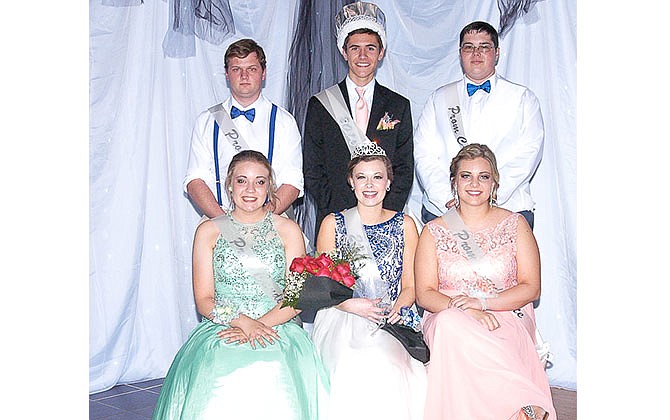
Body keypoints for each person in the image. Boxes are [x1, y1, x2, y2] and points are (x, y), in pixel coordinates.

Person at [154, 150, 328, 420]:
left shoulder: (288, 230)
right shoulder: (209, 230)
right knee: (218, 370)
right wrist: (244, 323)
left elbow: (295, 297)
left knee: (274, 367)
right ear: (229, 185)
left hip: (278, 326)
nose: (250, 189)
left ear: (270, 188)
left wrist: (260, 325)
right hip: (224, 327)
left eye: (259, 182)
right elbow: (204, 300)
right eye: (242, 180)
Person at [414, 143, 555, 419]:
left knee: (475, 331)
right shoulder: (433, 231)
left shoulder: (515, 224)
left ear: (495, 183)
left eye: (483, 176)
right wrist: (468, 310)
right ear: (454, 182)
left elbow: (531, 286)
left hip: (506, 311)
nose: (474, 183)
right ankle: (522, 405)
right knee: (448, 324)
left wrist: (484, 303)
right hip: (449, 312)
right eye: (466, 176)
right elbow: (425, 294)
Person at [310, 142, 426, 420]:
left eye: (377, 177)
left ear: (388, 183)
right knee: (352, 362)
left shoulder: (406, 225)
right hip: (343, 315)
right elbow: (322, 285)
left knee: (389, 364)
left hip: (391, 317)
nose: (369, 185)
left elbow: (411, 285)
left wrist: (399, 307)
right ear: (351, 182)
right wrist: (351, 306)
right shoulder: (332, 223)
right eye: (362, 177)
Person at [414, 21, 543, 228]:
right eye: (469, 47)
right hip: (445, 209)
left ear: (497, 53)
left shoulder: (523, 98)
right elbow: (423, 153)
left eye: (484, 47)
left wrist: (490, 194)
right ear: (460, 53)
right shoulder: (438, 99)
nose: (476, 53)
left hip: (507, 208)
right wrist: (449, 197)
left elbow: (529, 153)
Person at [303, 1, 414, 242]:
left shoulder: (398, 105)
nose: (363, 56)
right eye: (355, 48)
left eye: (371, 48)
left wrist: (381, 213)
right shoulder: (321, 105)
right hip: (335, 221)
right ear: (344, 52)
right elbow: (313, 170)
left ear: (381, 52)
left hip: (384, 222)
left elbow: (404, 168)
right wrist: (341, 214)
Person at [184, 38, 303, 218]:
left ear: (263, 73)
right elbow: (194, 179)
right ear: (226, 74)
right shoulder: (206, 121)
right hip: (220, 220)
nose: (244, 76)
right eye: (236, 69)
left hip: (272, 219)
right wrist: (226, 224)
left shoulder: (284, 121)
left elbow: (293, 181)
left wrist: (260, 220)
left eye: (252, 69)